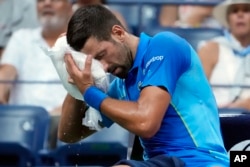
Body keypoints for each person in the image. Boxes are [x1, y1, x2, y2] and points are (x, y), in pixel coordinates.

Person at [58, 5, 229, 167]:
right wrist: (75, 85)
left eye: (102, 55)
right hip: (160, 163)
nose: (103, 68)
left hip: (200, 161)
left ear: (118, 33)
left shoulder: (164, 45)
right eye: (95, 62)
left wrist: (89, 92)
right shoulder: (120, 85)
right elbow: (69, 134)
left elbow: (146, 124)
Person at [0, 0, 72, 149]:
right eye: (40, 1)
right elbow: (6, 72)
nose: (46, 3)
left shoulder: (82, 43)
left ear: (70, 6)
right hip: (20, 123)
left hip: (63, 122)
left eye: (54, 0)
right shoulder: (21, 37)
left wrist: (52, 117)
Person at [198, 0, 250, 110]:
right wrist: (236, 107)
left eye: (246, 10)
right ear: (228, 19)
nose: (240, 15)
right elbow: (196, 96)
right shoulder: (210, 48)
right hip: (217, 118)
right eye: (234, 11)